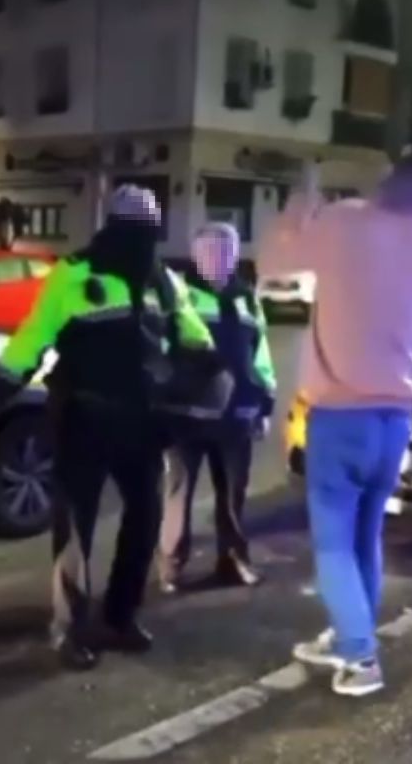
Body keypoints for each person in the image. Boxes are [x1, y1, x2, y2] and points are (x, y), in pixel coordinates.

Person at [0, 185, 217, 671]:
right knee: (76, 528)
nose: (141, 239)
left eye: (147, 230)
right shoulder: (73, 275)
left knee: (144, 520)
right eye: (135, 228)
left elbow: (193, 337)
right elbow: (30, 340)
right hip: (83, 417)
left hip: (142, 424)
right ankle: (69, 629)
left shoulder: (162, 280)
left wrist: (202, 372)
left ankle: (120, 617)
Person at [287, 152, 412, 697]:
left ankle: (360, 655)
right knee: (364, 535)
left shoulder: (347, 225)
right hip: (394, 416)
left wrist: (310, 184)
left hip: (340, 412)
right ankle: (351, 634)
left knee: (332, 543)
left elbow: (284, 252)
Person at [158, 222, 277, 594]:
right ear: (196, 255)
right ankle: (172, 567)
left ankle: (233, 562)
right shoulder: (178, 294)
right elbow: (159, 349)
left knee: (233, 496)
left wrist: (265, 403)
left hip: (236, 414)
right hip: (186, 415)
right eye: (210, 251)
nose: (218, 258)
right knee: (178, 493)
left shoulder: (246, 298)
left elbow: (261, 354)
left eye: (226, 251)